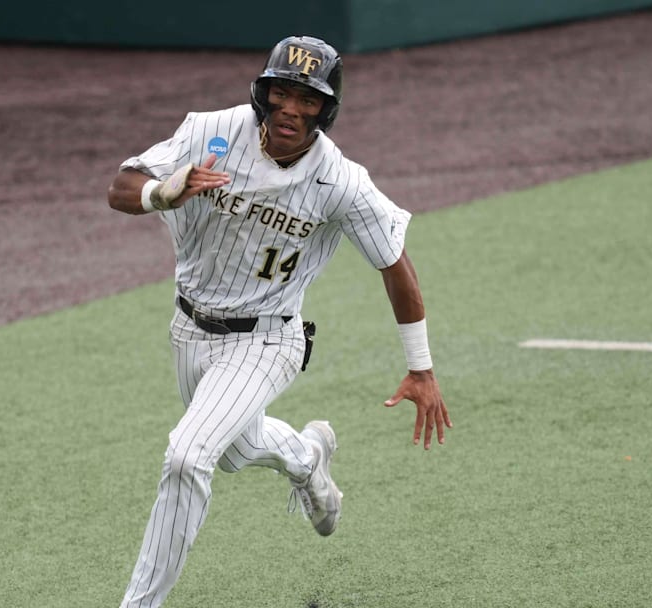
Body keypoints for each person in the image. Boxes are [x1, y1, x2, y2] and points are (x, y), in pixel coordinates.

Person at [107, 34, 451, 608]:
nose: (291, 109)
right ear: (263, 94)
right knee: (237, 451)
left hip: (268, 338)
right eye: (282, 93)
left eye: (308, 100)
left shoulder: (339, 181)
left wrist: (421, 367)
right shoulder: (209, 131)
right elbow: (120, 187)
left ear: (327, 110)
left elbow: (396, 266)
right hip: (189, 329)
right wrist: (161, 193)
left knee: (188, 454)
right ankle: (306, 458)